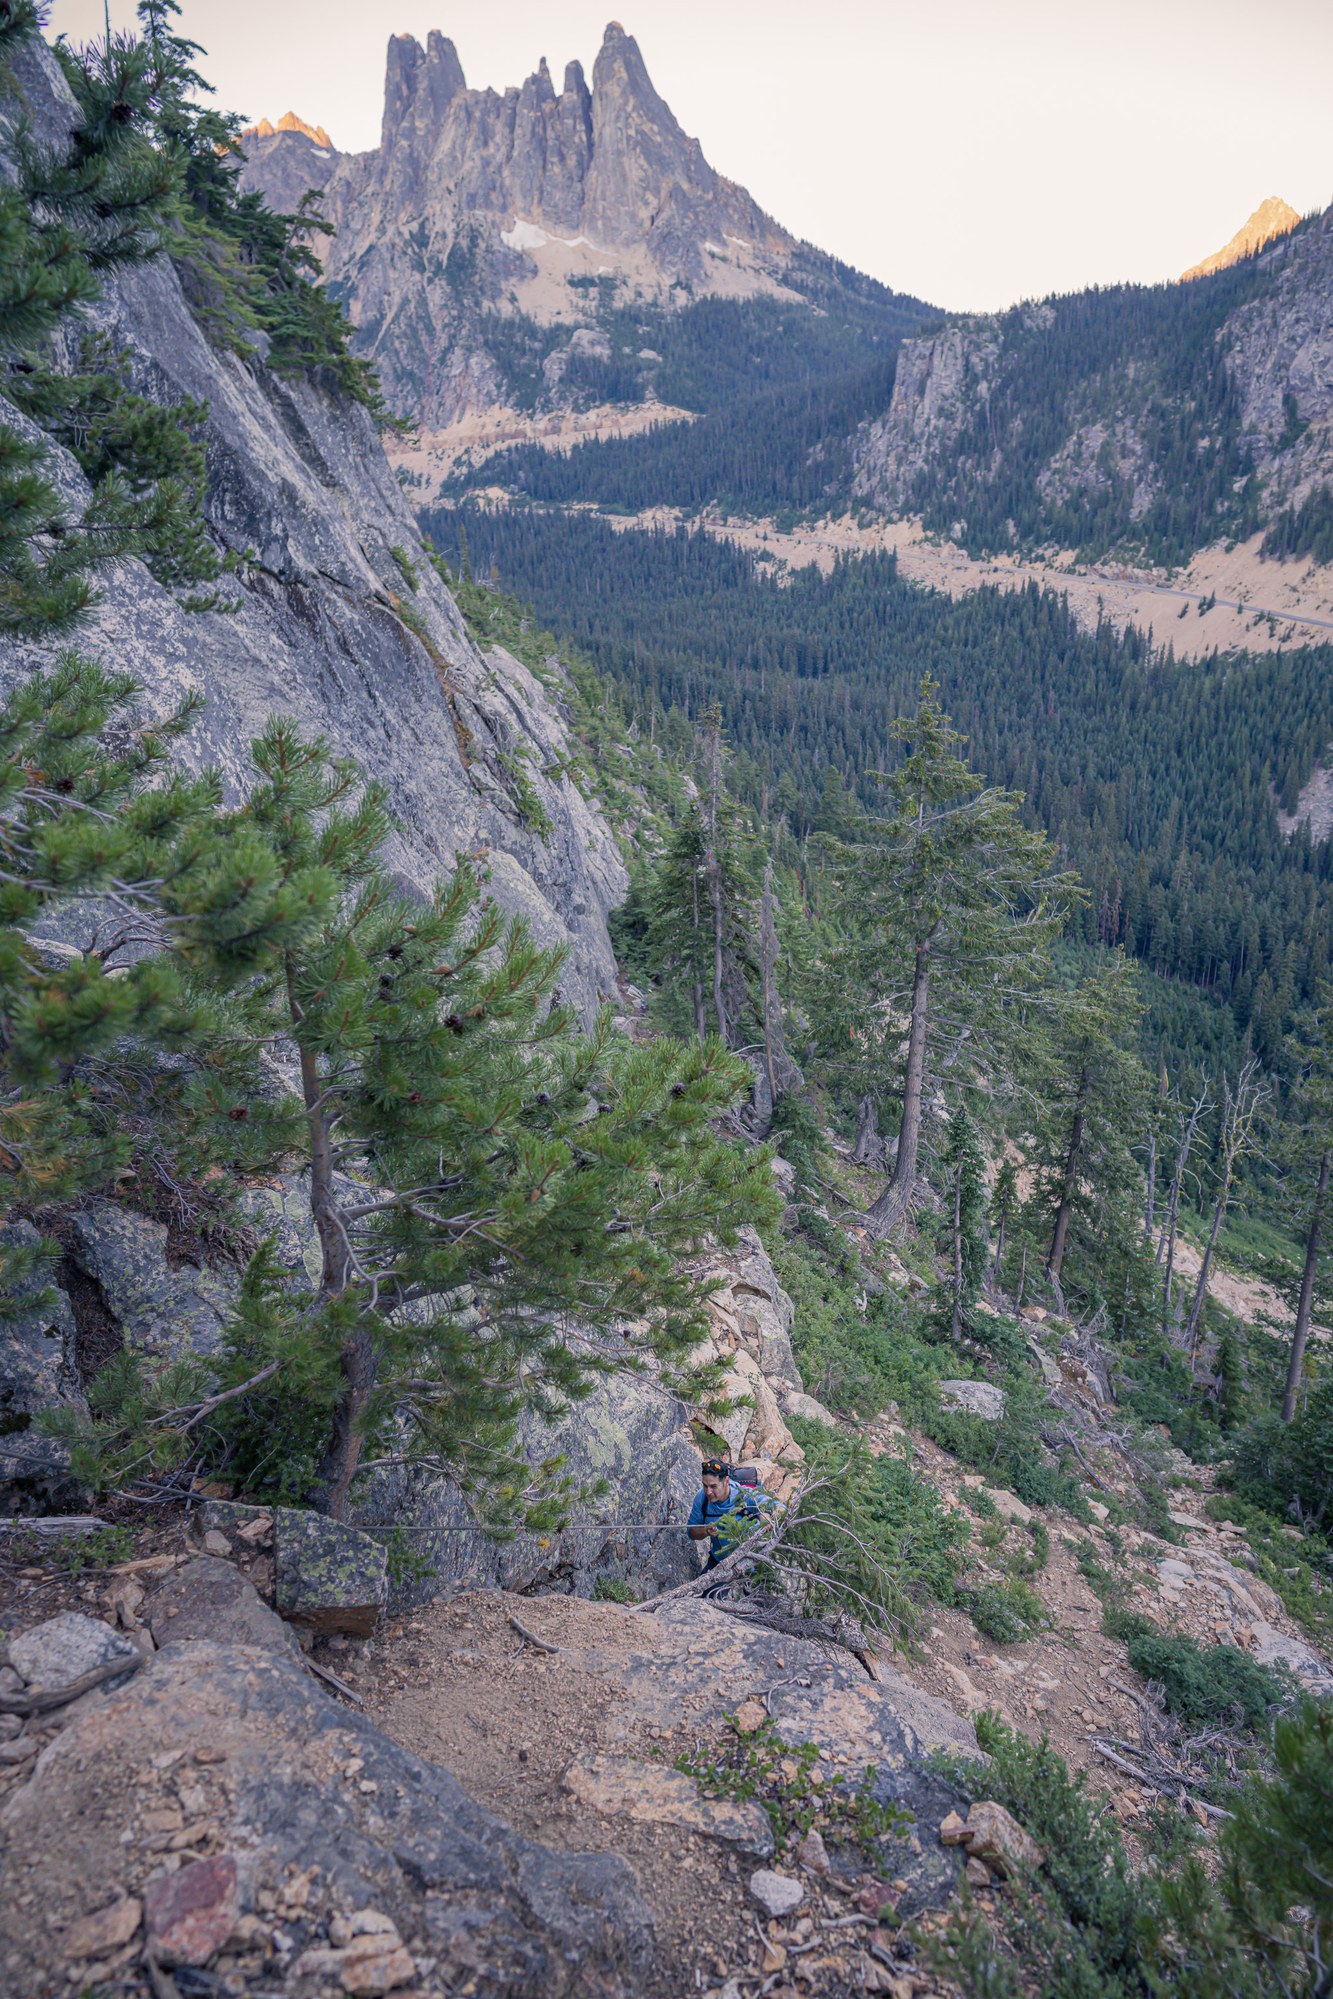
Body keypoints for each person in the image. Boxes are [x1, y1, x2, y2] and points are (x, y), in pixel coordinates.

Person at [687, 1457, 774, 1571]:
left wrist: (766, 1514)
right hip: (720, 1561)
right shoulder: (702, 1498)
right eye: (705, 1485)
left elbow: (771, 1503)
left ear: (726, 1481)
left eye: (713, 1486)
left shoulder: (742, 1495)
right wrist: (705, 1531)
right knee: (706, 1589)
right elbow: (691, 1531)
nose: (708, 1491)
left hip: (750, 1563)